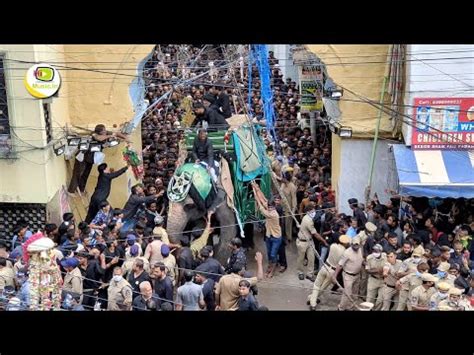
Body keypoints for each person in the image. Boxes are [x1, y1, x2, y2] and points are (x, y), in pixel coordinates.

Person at [68, 124, 129, 194]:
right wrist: (110, 136)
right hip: (83, 155)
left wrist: (125, 138)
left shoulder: (105, 133)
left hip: (91, 158)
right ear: (99, 132)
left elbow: (117, 133)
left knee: (86, 173)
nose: (105, 131)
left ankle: (81, 189)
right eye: (103, 130)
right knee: (78, 173)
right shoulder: (94, 135)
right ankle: (71, 190)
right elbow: (99, 138)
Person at [307, 235, 351, 310]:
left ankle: (312, 302)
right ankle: (312, 299)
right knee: (323, 287)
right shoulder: (345, 252)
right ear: (346, 243)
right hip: (333, 271)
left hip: (325, 266)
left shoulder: (333, 246)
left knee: (317, 285)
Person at [297, 205, 328, 282]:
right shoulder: (308, 220)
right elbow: (315, 234)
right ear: (308, 212)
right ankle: (300, 272)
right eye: (312, 211)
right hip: (302, 241)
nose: (314, 213)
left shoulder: (309, 218)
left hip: (310, 241)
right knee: (301, 258)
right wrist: (324, 241)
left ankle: (309, 274)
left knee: (311, 258)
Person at [332, 235, 364, 311]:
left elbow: (361, 260)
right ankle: (341, 308)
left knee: (355, 294)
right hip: (348, 276)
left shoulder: (360, 249)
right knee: (347, 294)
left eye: (357, 244)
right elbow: (340, 265)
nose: (356, 246)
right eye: (354, 244)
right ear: (351, 244)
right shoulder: (347, 253)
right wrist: (334, 276)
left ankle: (350, 307)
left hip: (357, 275)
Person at [255, 198, 282, 278]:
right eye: (269, 207)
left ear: (274, 207)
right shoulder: (269, 211)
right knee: (269, 254)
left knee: (273, 254)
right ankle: (270, 266)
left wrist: (258, 201)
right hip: (269, 236)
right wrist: (256, 190)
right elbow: (263, 201)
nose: (270, 208)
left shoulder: (273, 214)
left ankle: (272, 270)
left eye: (271, 207)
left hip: (276, 237)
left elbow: (262, 210)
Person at [365, 244, 386, 310]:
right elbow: (367, 270)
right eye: (373, 251)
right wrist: (377, 270)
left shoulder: (385, 257)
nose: (375, 253)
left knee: (380, 300)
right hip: (373, 280)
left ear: (381, 251)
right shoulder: (369, 258)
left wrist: (381, 270)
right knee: (369, 299)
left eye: (376, 251)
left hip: (383, 281)